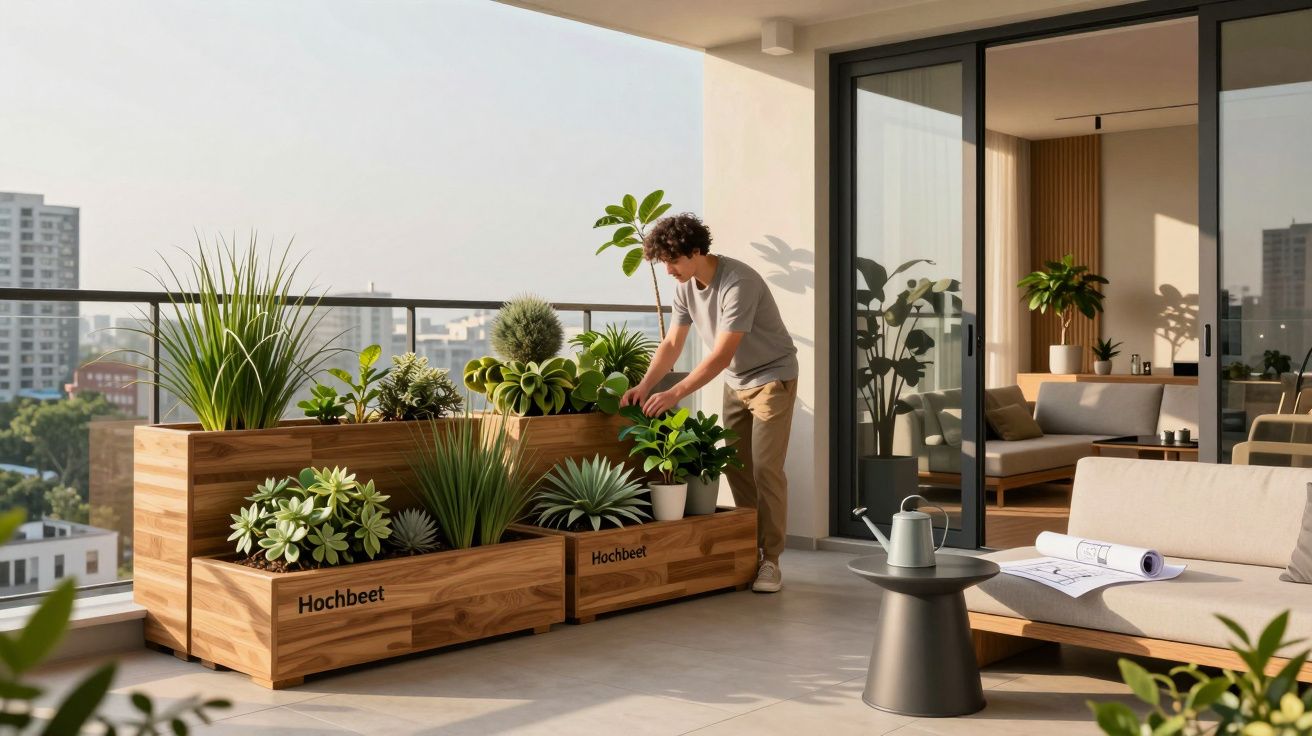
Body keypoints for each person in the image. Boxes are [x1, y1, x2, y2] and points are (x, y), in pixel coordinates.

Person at [621, 213, 798, 593]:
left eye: (673, 261)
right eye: (664, 263)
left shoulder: (739, 283)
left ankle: (772, 560)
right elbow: (672, 344)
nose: (668, 270)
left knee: (766, 468)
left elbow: (720, 354)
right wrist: (646, 385)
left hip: (772, 378)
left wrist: (675, 393)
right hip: (737, 382)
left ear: (697, 252)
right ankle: (749, 548)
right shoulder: (685, 286)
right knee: (737, 467)